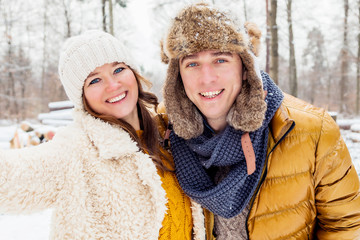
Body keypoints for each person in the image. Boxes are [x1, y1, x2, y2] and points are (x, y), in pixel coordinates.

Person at [160, 3, 360, 239]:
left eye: (220, 60)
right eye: (192, 63)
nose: (207, 78)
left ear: (245, 68)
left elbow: (346, 225)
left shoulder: (313, 130)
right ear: (178, 76)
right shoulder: (162, 132)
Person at [0, 30, 206, 240]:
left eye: (118, 69)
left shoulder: (172, 128)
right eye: (94, 80)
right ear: (82, 97)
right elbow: (10, 176)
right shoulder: (75, 150)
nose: (113, 85)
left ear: (133, 73)